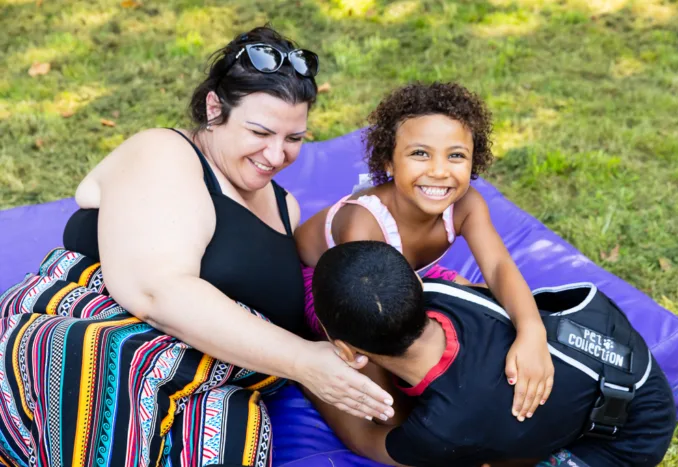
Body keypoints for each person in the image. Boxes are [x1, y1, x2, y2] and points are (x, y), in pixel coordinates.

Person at [0, 26, 394, 467]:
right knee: (108, 366)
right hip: (99, 338)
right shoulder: (164, 152)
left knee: (227, 432)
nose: (277, 153)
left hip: (215, 379)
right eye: (260, 131)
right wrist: (303, 360)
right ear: (214, 108)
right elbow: (155, 292)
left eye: (294, 138)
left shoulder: (286, 207)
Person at [296, 82, 554, 420]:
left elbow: (498, 267)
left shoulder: (466, 205)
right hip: (337, 289)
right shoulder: (363, 224)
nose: (439, 170)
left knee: (484, 304)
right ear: (388, 162)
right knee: (384, 403)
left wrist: (532, 331)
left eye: (456, 155)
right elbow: (363, 309)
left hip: (405, 276)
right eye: (420, 153)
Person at [308, 241, 677, 467]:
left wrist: (307, 371)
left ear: (346, 349)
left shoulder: (437, 431)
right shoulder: (442, 293)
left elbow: (365, 440)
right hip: (608, 358)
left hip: (630, 435)